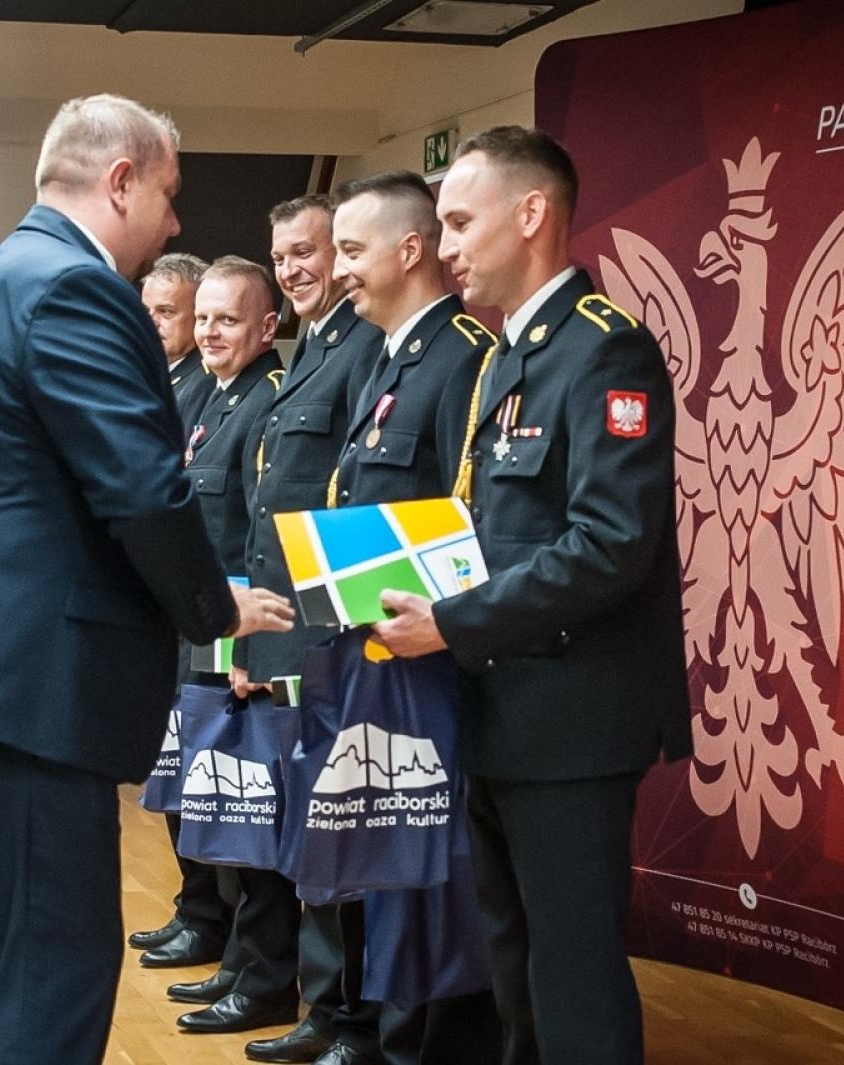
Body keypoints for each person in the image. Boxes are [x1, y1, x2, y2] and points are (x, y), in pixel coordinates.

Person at [0, 94, 294, 1064]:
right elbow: (140, 487)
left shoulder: (12, 274)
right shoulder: (74, 287)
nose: (175, 223)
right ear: (120, 180)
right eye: (168, 194)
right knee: (50, 967)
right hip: (18, 680)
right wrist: (213, 610)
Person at [373, 127, 693, 1065]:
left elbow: (612, 545)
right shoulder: (506, 359)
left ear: (532, 214)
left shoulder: (603, 353)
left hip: (572, 719)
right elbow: (488, 532)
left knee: (573, 969)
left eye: (461, 222)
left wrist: (455, 621)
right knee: (511, 958)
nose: (446, 246)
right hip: (499, 705)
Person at [326, 170, 501, 1065]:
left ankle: (432, 1046)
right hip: (379, 663)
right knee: (390, 877)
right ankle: (398, 1039)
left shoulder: (463, 353)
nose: (337, 269)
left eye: (351, 251)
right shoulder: (390, 357)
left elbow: (467, 526)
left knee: (437, 888)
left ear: (409, 249)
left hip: (433, 674)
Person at [237, 192, 384, 1065]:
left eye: (308, 252)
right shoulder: (315, 349)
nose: (293, 269)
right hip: (293, 622)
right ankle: (326, 1007)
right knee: (308, 834)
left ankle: (350, 1020)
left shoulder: (363, 345)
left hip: (330, 627)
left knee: (336, 836)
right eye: (282, 255)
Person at [168, 256, 296, 1037]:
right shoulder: (215, 399)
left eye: (229, 320)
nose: (212, 332)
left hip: (241, 643)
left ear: (266, 327)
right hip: (205, 636)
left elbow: (260, 534)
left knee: (252, 817)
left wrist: (251, 652)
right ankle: (239, 961)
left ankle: (265, 974)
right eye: (205, 318)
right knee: (219, 811)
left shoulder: (266, 402)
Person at [128, 251, 240, 975]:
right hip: (161, 611)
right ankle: (194, 904)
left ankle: (211, 912)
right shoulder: (155, 383)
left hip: (199, 613)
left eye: (170, 312)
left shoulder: (205, 389)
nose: (158, 324)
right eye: (151, 310)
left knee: (203, 773)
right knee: (174, 767)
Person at [142, 251, 217, 431]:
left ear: (199, 315)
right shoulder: (144, 371)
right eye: (145, 311)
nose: (150, 322)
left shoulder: (207, 382)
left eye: (166, 311)